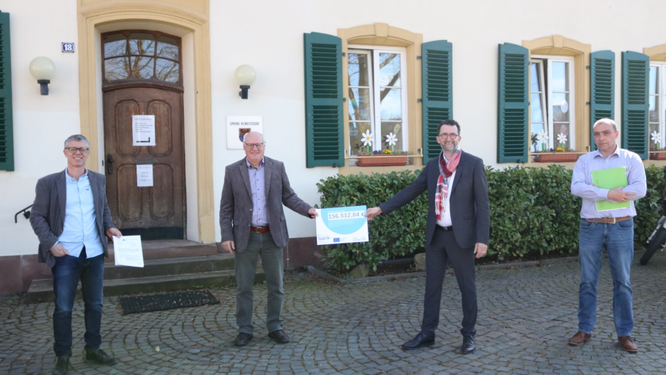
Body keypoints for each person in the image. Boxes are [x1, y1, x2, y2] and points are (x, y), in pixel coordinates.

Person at [366, 119, 490, 354]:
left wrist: (482, 238)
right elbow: (411, 190)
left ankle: (468, 335)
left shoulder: (473, 164)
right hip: (437, 237)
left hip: (462, 238)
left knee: (467, 288)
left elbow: (482, 205)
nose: (449, 138)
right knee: (432, 288)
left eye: (453, 134)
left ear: (459, 138)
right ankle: (427, 333)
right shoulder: (434, 166)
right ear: (438, 139)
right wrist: (380, 208)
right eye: (444, 135)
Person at [29, 134, 122, 375]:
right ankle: (63, 354)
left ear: (88, 153)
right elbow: (37, 216)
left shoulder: (98, 180)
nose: (77, 153)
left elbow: (102, 209)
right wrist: (51, 243)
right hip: (65, 253)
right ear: (65, 152)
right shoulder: (49, 183)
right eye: (72, 149)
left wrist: (109, 227)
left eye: (82, 149)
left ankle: (93, 349)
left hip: (94, 252)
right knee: (63, 308)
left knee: (95, 305)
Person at [219, 131, 317, 347]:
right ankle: (245, 330)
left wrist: (308, 210)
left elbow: (288, 196)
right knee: (244, 287)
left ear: (265, 146)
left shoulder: (277, 167)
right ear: (244, 147)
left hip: (273, 236)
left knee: (277, 285)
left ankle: (275, 327)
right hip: (246, 237)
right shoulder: (232, 171)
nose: (255, 149)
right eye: (251, 145)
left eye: (259, 144)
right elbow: (226, 206)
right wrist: (226, 235)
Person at [568, 118, 646, 353]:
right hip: (590, 226)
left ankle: (624, 334)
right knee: (587, 281)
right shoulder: (584, 160)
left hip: (621, 226)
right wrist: (609, 193)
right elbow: (577, 187)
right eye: (597, 134)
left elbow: (639, 189)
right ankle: (584, 329)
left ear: (615, 134)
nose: (601, 138)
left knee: (622, 282)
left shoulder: (631, 159)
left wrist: (598, 193)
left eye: (605, 133)